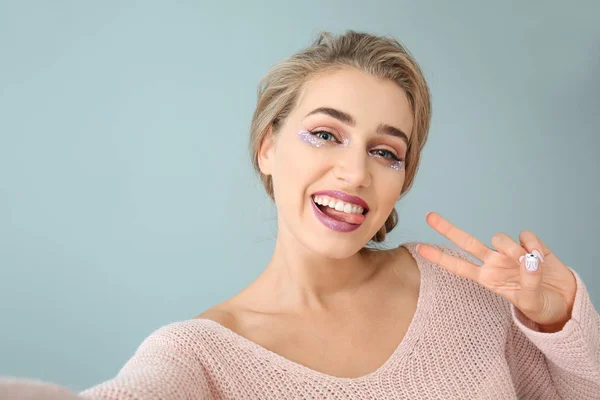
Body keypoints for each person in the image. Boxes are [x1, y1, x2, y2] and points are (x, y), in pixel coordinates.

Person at [1, 29, 599, 400]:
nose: (355, 172)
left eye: (386, 152)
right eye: (324, 135)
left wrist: (561, 319)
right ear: (267, 146)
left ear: (402, 181)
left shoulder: (460, 291)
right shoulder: (199, 356)